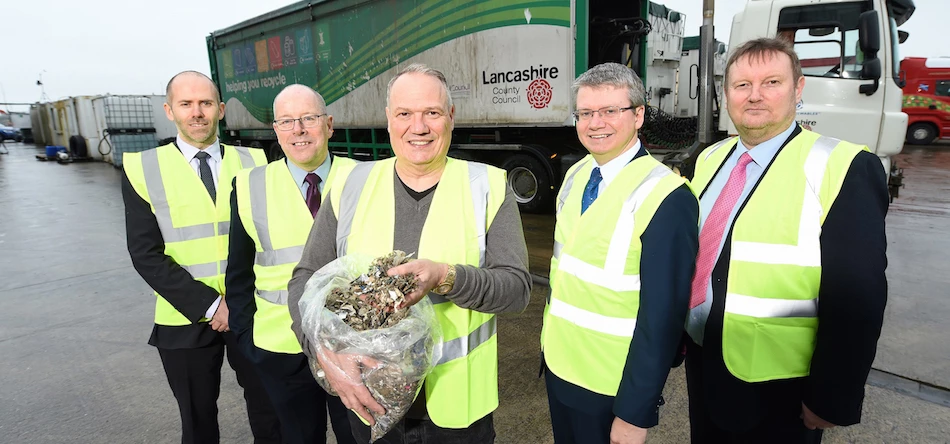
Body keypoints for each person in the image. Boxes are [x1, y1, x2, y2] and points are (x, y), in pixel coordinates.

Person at [287, 63, 532, 443]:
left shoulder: (487, 186)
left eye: (431, 113)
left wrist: (447, 277)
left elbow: (516, 290)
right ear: (388, 119)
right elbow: (305, 279)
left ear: (450, 116)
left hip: (457, 409)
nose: (418, 127)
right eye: (404, 114)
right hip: (369, 402)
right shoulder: (351, 185)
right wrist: (324, 355)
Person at [684, 38, 888, 443]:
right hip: (704, 361)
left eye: (771, 82)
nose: (755, 95)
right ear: (726, 95)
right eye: (741, 85)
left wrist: (831, 397)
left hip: (780, 384)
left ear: (798, 89)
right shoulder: (709, 158)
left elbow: (857, 296)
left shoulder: (841, 165)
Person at [539, 62, 699, 444]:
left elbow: (663, 318)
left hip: (610, 384)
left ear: (639, 114)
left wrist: (635, 412)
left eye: (611, 111)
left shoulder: (666, 196)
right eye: (586, 113)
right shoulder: (576, 174)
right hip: (559, 365)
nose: (596, 123)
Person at [122, 70, 280, 444]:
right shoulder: (144, 168)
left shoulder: (256, 162)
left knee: (270, 413)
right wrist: (211, 305)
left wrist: (236, 303)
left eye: (206, 103)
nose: (197, 112)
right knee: (197, 423)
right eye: (186, 104)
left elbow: (271, 237)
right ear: (169, 111)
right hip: (184, 316)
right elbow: (145, 253)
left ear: (221, 110)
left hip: (252, 312)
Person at [226, 84, 357, 444]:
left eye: (308, 119)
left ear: (329, 124)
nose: (298, 129)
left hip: (354, 346)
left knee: (359, 438)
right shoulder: (249, 185)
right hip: (280, 350)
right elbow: (238, 274)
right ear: (276, 131)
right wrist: (246, 341)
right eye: (286, 121)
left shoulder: (365, 178)